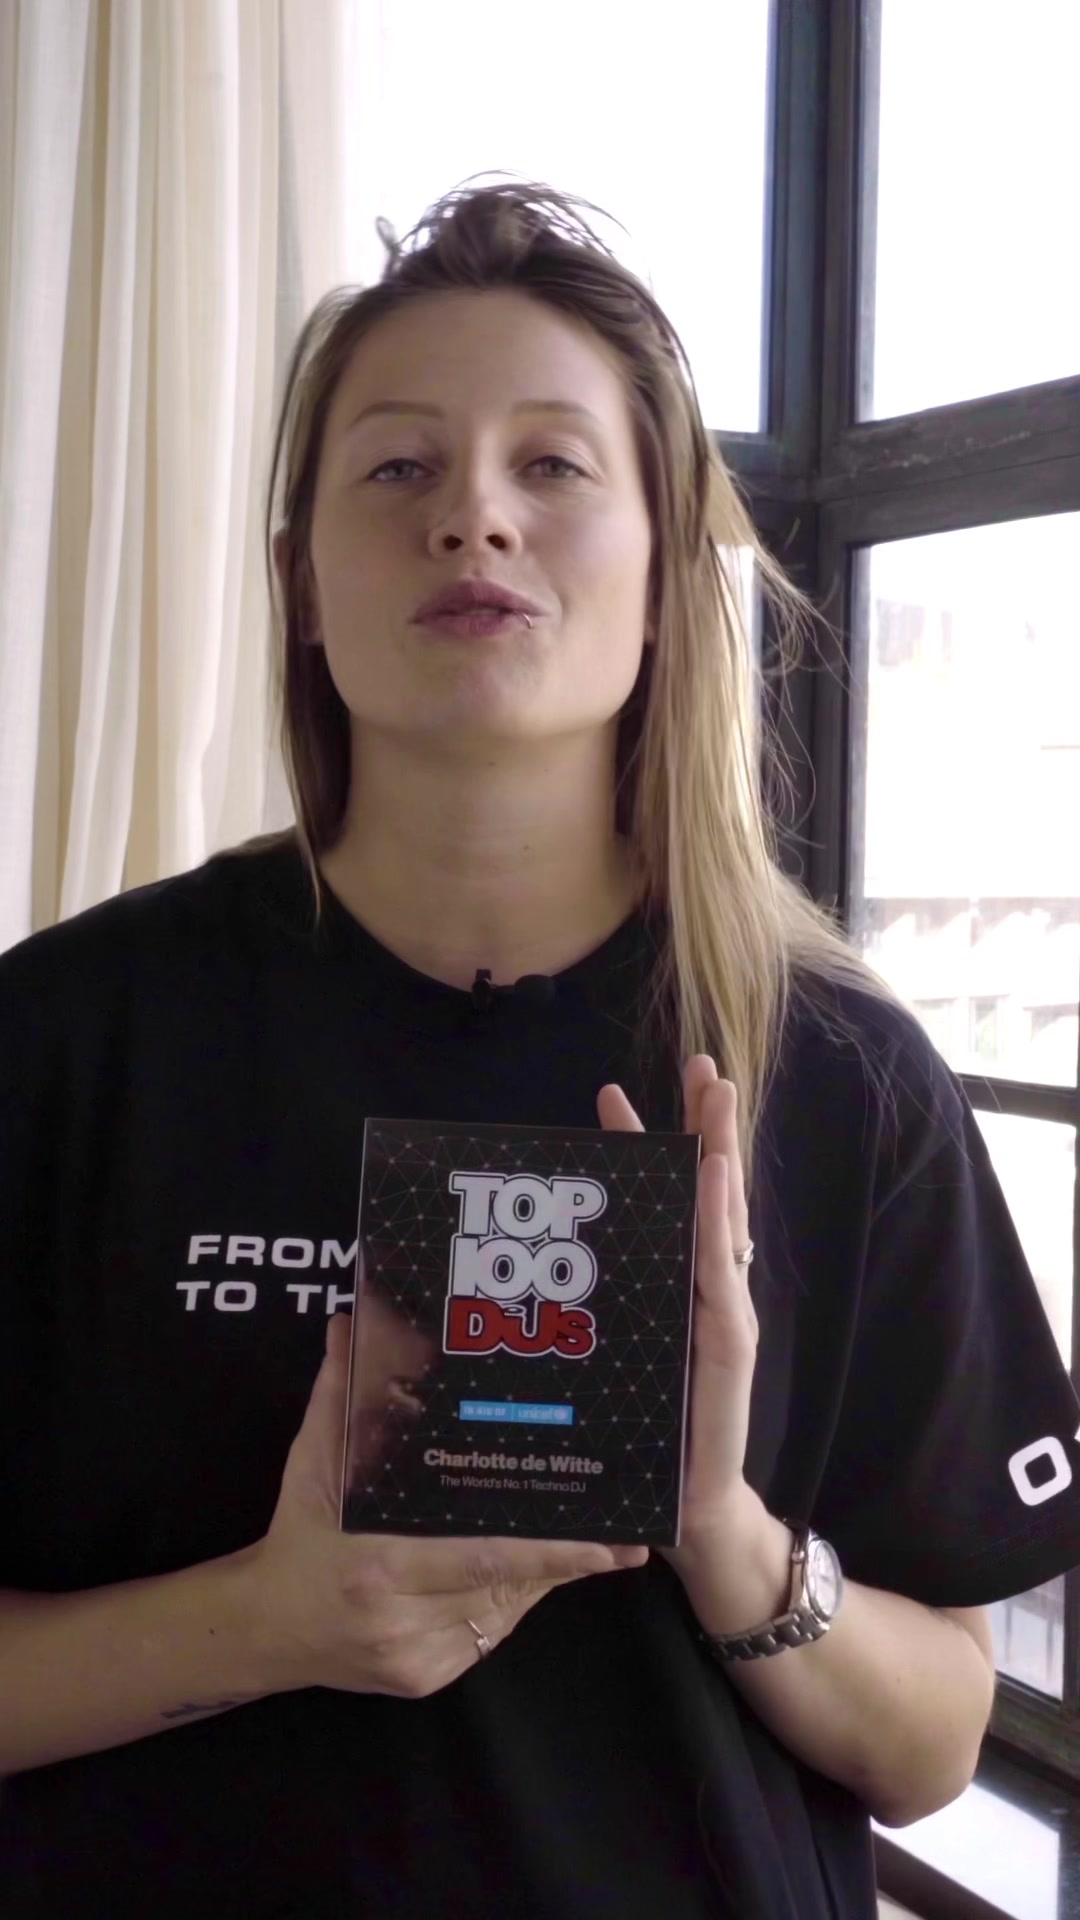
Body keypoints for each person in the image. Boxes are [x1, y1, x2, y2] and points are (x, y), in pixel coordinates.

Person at [0, 179, 1077, 1920]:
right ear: (300, 583)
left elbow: (936, 1738)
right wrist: (263, 1625)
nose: (474, 518)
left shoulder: (846, 1078)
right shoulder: (61, 1042)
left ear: (661, 580)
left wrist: (722, 1529)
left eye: (554, 465)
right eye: (398, 468)